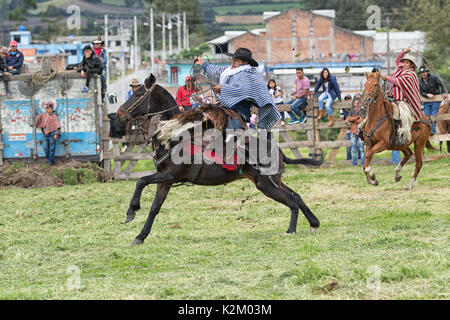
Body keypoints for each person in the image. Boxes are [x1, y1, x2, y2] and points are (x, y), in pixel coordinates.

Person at [193, 48, 281, 130]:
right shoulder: (229, 71)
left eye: (236, 60)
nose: (233, 62)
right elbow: (216, 71)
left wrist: (223, 88)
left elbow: (246, 90)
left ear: (245, 62)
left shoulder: (252, 75)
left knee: (228, 133)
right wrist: (202, 63)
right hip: (223, 110)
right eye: (233, 60)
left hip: (240, 114)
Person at [379, 48, 423, 143]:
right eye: (404, 62)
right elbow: (397, 60)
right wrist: (403, 52)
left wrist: (386, 77)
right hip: (392, 97)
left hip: (404, 100)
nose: (404, 64)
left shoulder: (411, 74)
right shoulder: (400, 69)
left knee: (403, 115)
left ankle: (404, 135)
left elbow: (398, 82)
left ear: (412, 65)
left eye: (407, 63)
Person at [418, 66, 448, 136]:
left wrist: (443, 92)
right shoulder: (420, 81)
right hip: (427, 100)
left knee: (433, 114)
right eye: (421, 73)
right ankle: (426, 130)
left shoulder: (433, 77)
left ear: (427, 72)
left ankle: (432, 131)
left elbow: (443, 82)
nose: (423, 74)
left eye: (424, 72)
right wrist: (426, 94)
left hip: (435, 99)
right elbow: (421, 92)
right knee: (426, 115)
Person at [346, 94, 365, 166]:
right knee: (353, 149)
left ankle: (363, 163)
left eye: (358, 102)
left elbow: (363, 120)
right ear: (353, 103)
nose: (357, 104)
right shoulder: (352, 111)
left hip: (361, 132)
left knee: (361, 149)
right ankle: (354, 164)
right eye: (356, 102)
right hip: (353, 132)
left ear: (361, 103)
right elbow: (348, 119)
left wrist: (354, 120)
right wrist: (356, 118)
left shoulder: (363, 111)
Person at [92, 37, 108, 102]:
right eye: (95, 44)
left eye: (98, 43)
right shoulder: (91, 51)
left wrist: (97, 62)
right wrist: (99, 60)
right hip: (93, 68)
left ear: (101, 44)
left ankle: (103, 91)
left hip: (102, 68)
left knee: (103, 77)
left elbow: (105, 60)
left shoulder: (103, 51)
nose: (97, 45)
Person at [341, 94, 353, 160]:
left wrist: (350, 119)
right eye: (346, 99)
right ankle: (349, 160)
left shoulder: (354, 108)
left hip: (354, 129)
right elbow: (342, 120)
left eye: (348, 99)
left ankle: (359, 159)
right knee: (348, 147)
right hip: (347, 130)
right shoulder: (342, 109)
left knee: (357, 146)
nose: (347, 100)